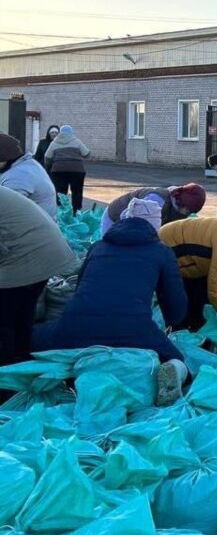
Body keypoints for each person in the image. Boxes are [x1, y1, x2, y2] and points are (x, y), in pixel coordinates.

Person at [33, 198, 187, 363]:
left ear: (124, 219)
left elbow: (79, 290)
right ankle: (177, 371)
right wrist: (173, 322)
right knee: (177, 360)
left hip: (76, 326)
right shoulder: (162, 252)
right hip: (133, 329)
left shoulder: (98, 246)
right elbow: (175, 305)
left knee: (24, 340)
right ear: (156, 225)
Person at [0, 186, 78, 366]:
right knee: (21, 317)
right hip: (45, 250)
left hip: (28, 255)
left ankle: (7, 375)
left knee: (5, 321)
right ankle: (20, 365)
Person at [101, 183, 206, 234]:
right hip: (115, 217)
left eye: (191, 211)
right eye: (188, 209)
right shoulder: (157, 200)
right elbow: (127, 217)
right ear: (182, 201)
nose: (187, 213)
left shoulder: (179, 211)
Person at [0, 132, 58, 218]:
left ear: (4, 158)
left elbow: (5, 212)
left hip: (33, 229)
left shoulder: (17, 177)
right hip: (40, 223)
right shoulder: (27, 164)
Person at [42, 124, 90, 213]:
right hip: (77, 170)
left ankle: (62, 211)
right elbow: (86, 154)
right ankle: (77, 211)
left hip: (58, 171)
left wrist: (49, 166)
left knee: (61, 193)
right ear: (71, 132)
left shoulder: (54, 143)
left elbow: (47, 157)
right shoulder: (77, 142)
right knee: (77, 191)